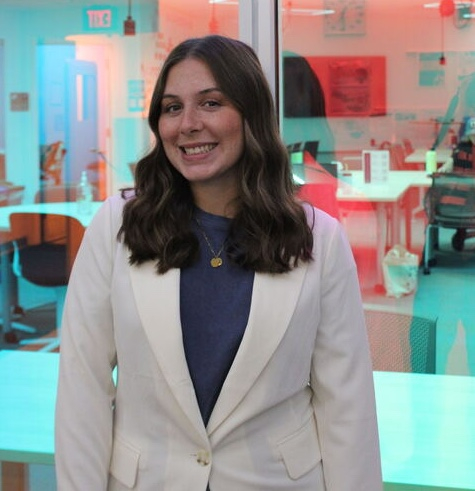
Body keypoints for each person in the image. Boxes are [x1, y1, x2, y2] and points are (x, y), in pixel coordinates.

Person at [55, 34, 382, 491]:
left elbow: (346, 403)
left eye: (211, 103)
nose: (187, 124)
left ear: (252, 115)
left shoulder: (318, 238)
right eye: (172, 108)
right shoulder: (117, 225)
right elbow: (82, 387)